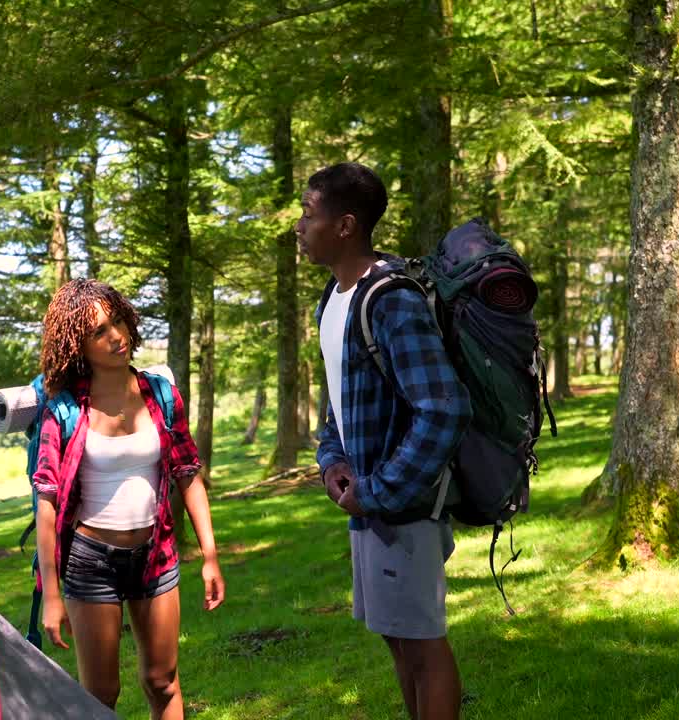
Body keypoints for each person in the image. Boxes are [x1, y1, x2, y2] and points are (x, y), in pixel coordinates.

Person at [298, 162, 471, 720]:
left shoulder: (389, 298)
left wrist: (381, 489)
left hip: (405, 506)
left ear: (345, 225)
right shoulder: (332, 300)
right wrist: (333, 464)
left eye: (309, 213)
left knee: (422, 644)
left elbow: (444, 408)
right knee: (398, 640)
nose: (300, 226)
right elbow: (338, 405)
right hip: (369, 503)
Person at [32, 278, 225, 720]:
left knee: (163, 681)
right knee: (100, 696)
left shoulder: (159, 393)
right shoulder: (64, 408)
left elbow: (188, 473)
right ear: (78, 344)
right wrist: (51, 593)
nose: (116, 335)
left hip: (156, 555)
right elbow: (46, 500)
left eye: (117, 321)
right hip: (90, 562)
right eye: (99, 331)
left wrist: (210, 554)